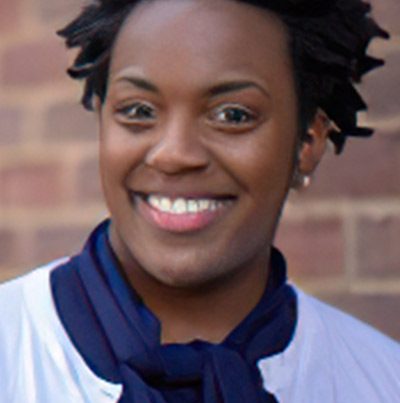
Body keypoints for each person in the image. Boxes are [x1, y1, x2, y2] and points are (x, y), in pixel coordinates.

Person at [0, 0, 399, 402]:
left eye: (233, 115)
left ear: (308, 142)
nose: (174, 155)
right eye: (138, 110)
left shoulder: (381, 382)